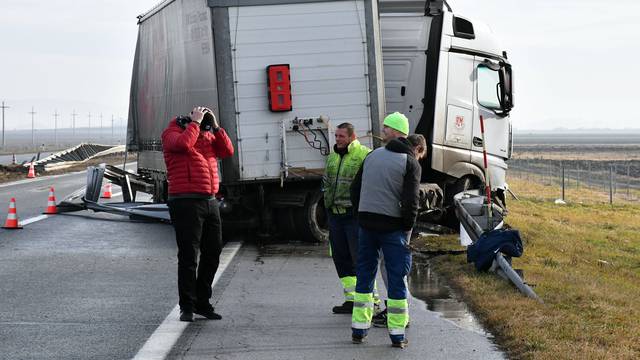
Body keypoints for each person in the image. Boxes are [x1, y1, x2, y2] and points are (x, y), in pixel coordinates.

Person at [350, 116, 426, 348]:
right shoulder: (410, 162)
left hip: (366, 225)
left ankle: (359, 330)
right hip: (393, 228)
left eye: (386, 128)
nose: (382, 131)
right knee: (396, 279)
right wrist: (407, 227)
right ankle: (397, 335)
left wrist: (361, 215)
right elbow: (411, 201)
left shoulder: (372, 156)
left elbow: (355, 189)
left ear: (396, 133)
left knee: (364, 276)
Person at [162, 106, 234, 322]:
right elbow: (183, 144)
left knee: (212, 253)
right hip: (185, 201)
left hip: (210, 200)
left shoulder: (205, 135)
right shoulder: (171, 133)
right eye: (196, 119)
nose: (201, 122)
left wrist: (217, 126)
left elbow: (227, 151)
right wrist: (194, 123)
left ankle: (202, 302)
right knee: (188, 256)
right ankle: (187, 305)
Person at [322, 123, 371, 314]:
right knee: (340, 257)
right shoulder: (333, 156)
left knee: (360, 258)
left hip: (353, 215)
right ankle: (351, 300)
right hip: (335, 215)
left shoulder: (364, 154)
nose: (338, 140)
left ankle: (369, 300)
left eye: (341, 136)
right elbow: (326, 181)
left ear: (352, 136)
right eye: (336, 136)